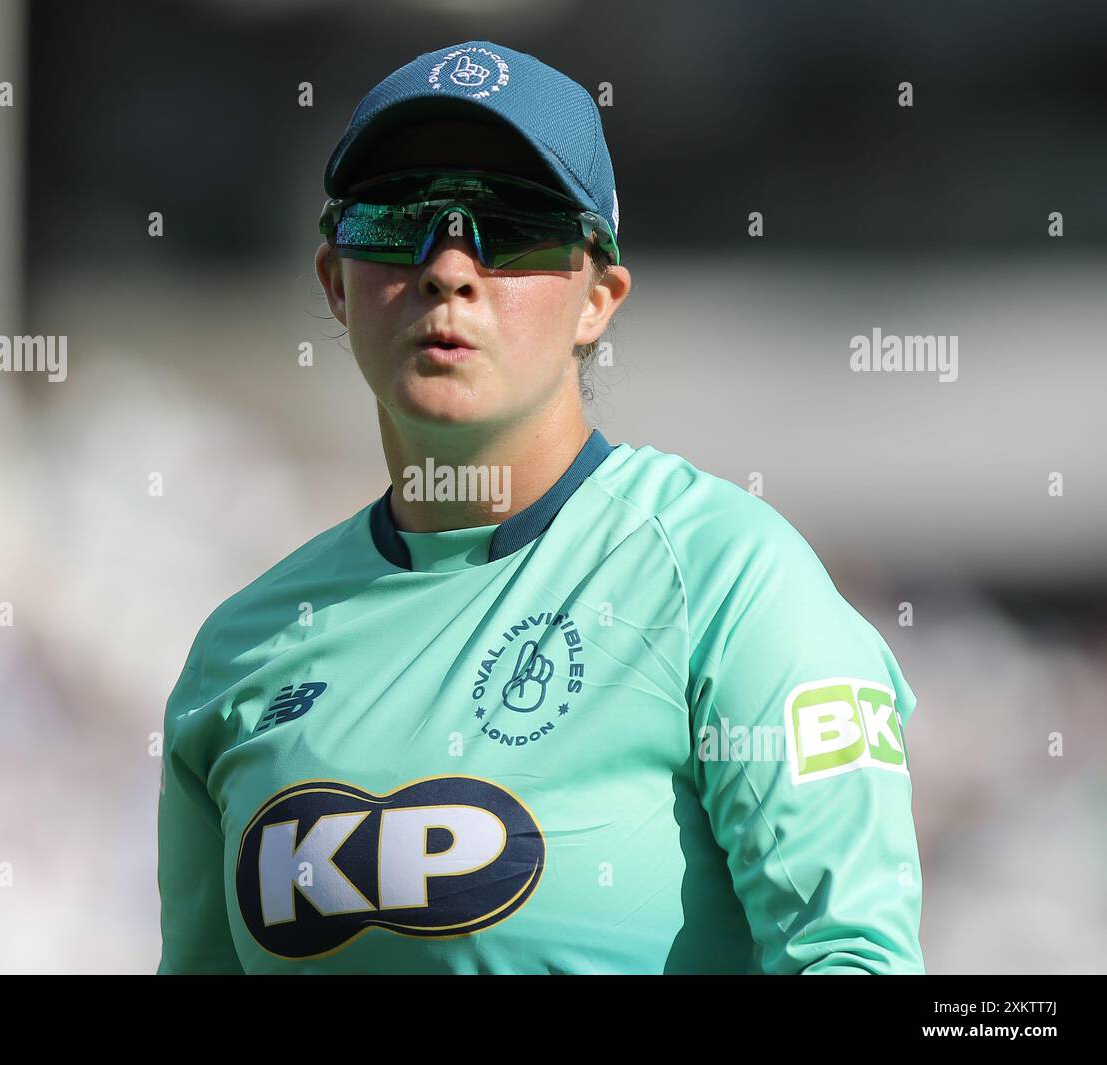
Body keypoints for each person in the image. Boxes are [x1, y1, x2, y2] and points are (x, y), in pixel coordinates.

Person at [156, 40, 925, 974]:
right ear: (334, 281)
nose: (448, 267)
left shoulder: (727, 580)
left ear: (598, 298)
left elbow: (852, 958)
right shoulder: (242, 649)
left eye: (510, 224)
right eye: (398, 220)